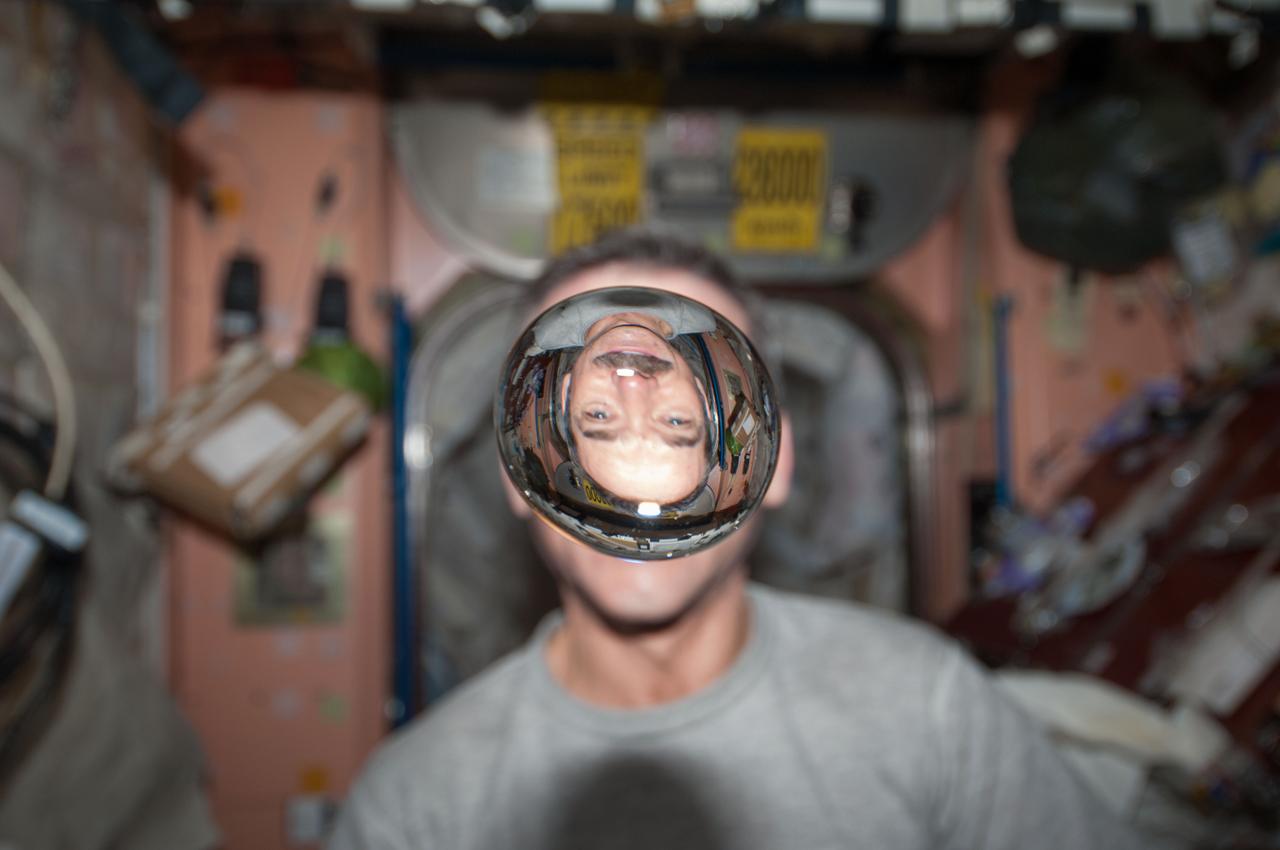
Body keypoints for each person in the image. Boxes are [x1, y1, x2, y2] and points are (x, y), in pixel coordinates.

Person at [328, 230, 1147, 850]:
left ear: (774, 467)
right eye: (592, 423)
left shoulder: (928, 710)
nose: (635, 479)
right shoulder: (416, 804)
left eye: (684, 424)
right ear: (518, 478)